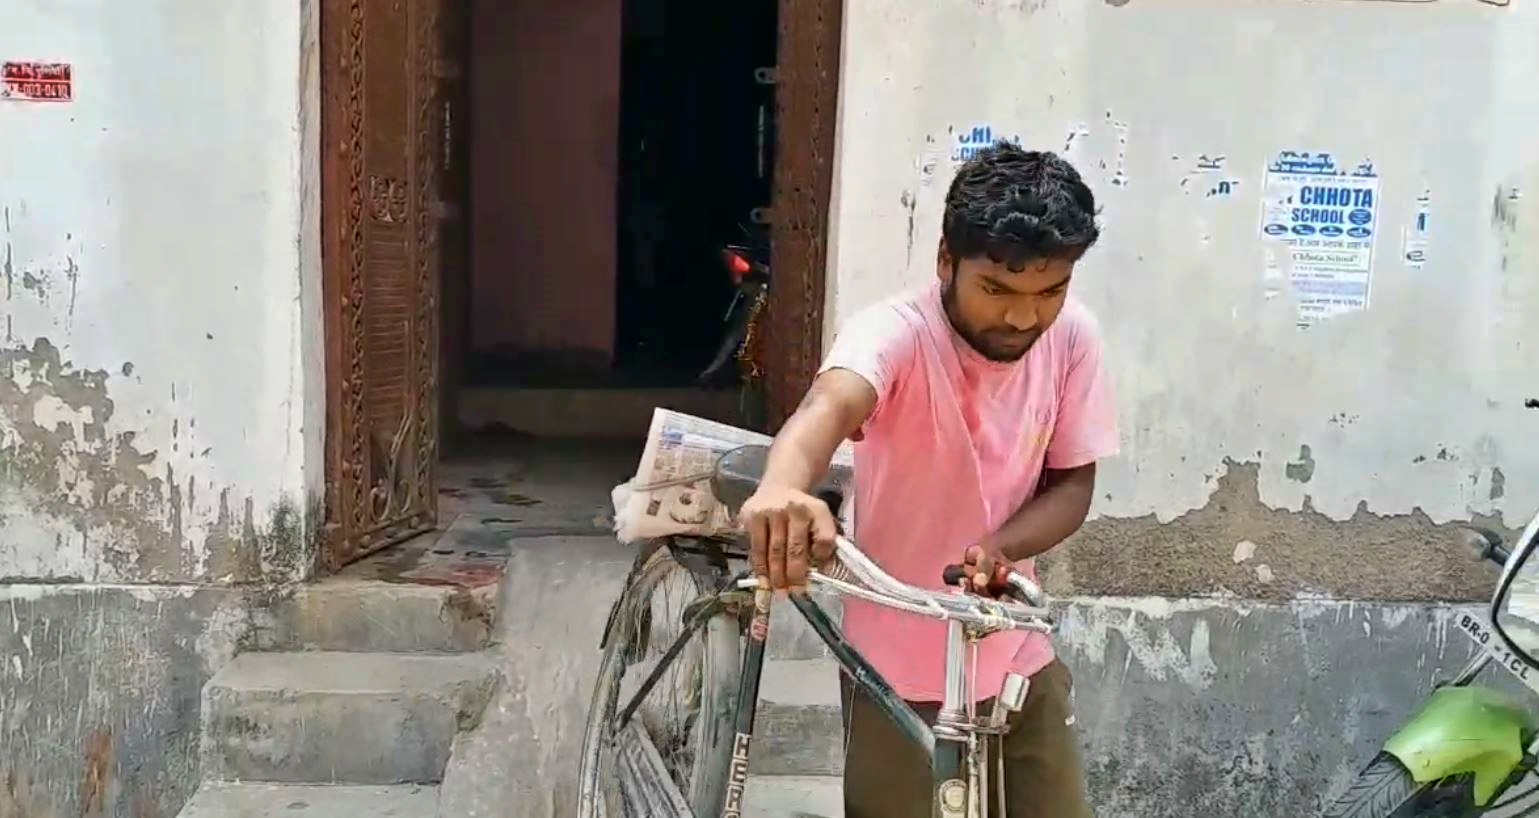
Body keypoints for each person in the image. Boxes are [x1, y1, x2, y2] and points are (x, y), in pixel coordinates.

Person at [738, 140, 1118, 818]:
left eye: (1049, 292)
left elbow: (1070, 483)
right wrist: (782, 487)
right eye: (996, 290)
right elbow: (829, 405)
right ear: (946, 260)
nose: (1023, 317)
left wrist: (1000, 549)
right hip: (894, 654)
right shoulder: (894, 334)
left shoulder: (1073, 339)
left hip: (1010, 641)